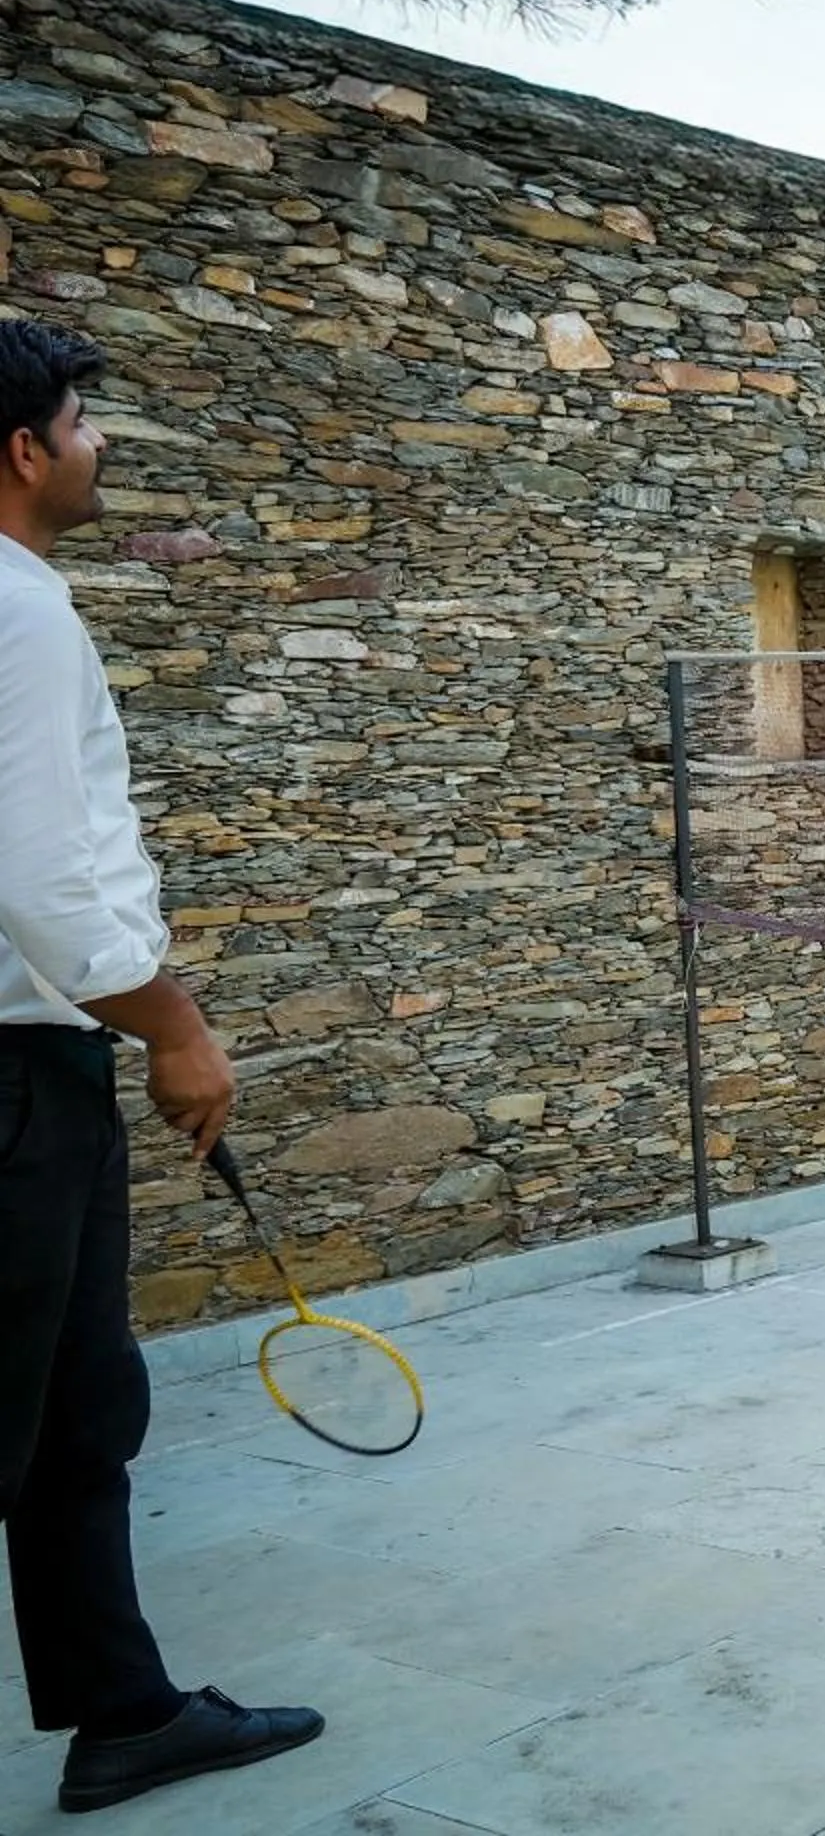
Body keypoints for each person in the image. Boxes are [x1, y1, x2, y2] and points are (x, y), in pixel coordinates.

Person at [0, 318, 323, 1815]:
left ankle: (124, 1712)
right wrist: (178, 1032)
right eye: (83, 418)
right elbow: (45, 877)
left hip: (41, 1063)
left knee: (79, 1409)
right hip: (11, 1076)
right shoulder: (15, 608)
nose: (99, 442)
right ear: (25, 448)